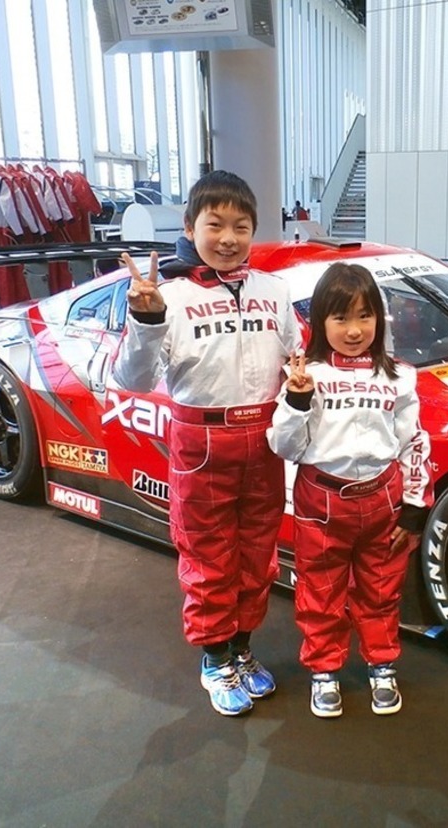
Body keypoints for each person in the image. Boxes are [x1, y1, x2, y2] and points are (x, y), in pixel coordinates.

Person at [111, 170, 302, 717]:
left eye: (241, 226)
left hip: (264, 440)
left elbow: (295, 356)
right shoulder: (167, 296)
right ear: (191, 227)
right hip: (201, 442)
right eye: (214, 224)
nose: (228, 237)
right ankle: (215, 659)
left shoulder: (274, 290)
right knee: (209, 558)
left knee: (258, 555)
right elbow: (132, 380)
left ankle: (242, 649)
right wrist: (146, 321)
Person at [268, 262, 433, 718]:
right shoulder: (306, 375)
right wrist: (297, 400)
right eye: (341, 318)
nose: (355, 329)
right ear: (321, 321)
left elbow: (414, 442)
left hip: (384, 498)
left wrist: (416, 509)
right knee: (320, 591)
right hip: (321, 499)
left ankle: (382, 665)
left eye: (365, 316)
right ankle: (324, 670)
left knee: (382, 590)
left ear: (380, 319)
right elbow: (284, 446)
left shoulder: (400, 376)